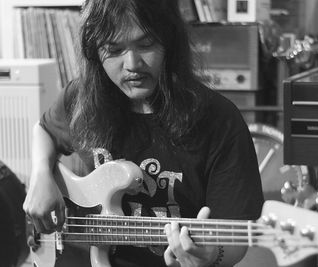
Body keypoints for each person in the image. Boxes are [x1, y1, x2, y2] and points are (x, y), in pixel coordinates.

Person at [23, 0, 264, 266]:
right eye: (114, 49)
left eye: (146, 45)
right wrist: (40, 175)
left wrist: (210, 255)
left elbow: (236, 239)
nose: (132, 64)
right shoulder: (81, 99)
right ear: (94, 51)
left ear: (169, 41)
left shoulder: (220, 120)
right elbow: (43, 130)